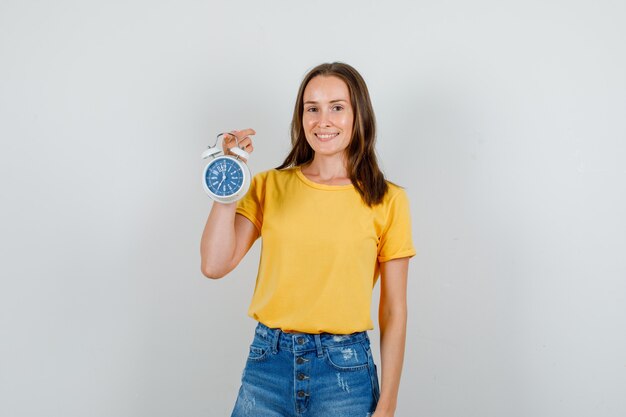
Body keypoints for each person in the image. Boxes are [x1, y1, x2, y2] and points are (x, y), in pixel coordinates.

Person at [200, 62, 416, 417]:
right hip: (268, 366)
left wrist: (388, 403)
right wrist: (228, 179)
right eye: (311, 108)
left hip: (345, 375)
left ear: (358, 114)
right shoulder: (270, 186)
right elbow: (214, 264)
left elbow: (394, 310)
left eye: (337, 107)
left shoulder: (387, 199)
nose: (322, 120)